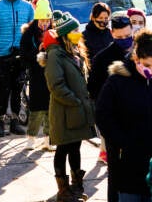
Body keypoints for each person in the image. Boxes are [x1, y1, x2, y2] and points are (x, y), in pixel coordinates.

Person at [43, 10, 96, 202]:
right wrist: (74, 101)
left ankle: (76, 186)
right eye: (74, 30)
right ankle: (63, 191)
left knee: (76, 147)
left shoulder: (75, 50)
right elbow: (55, 85)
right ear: (65, 34)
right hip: (64, 111)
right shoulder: (56, 54)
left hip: (78, 110)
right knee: (63, 148)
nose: (78, 33)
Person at [96, 29, 152, 202]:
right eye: (147, 65)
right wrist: (123, 142)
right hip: (127, 161)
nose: (151, 69)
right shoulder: (118, 81)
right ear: (136, 59)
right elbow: (103, 116)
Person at [87, 14, 133, 202]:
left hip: (139, 122)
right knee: (115, 174)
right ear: (112, 33)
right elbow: (94, 92)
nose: (125, 41)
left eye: (128, 36)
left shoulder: (141, 52)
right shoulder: (102, 59)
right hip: (116, 125)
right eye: (120, 37)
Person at [0, 0, 34, 138]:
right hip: (2, 55)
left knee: (17, 88)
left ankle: (14, 121)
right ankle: (0, 121)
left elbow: (32, 32)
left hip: (21, 55)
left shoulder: (27, 7)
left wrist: (30, 52)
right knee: (3, 89)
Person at [80, 2, 112, 165]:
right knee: (104, 118)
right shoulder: (85, 35)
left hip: (111, 80)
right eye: (101, 19)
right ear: (93, 18)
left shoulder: (110, 34)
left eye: (106, 18)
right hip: (96, 82)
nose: (104, 22)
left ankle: (105, 151)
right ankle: (105, 151)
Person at [20, 0, 54, 151]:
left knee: (50, 107)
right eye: (42, 20)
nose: (44, 23)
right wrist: (37, 50)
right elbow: (24, 55)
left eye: (47, 20)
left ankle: (48, 139)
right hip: (35, 74)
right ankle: (31, 138)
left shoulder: (54, 32)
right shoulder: (28, 34)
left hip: (51, 74)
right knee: (36, 108)